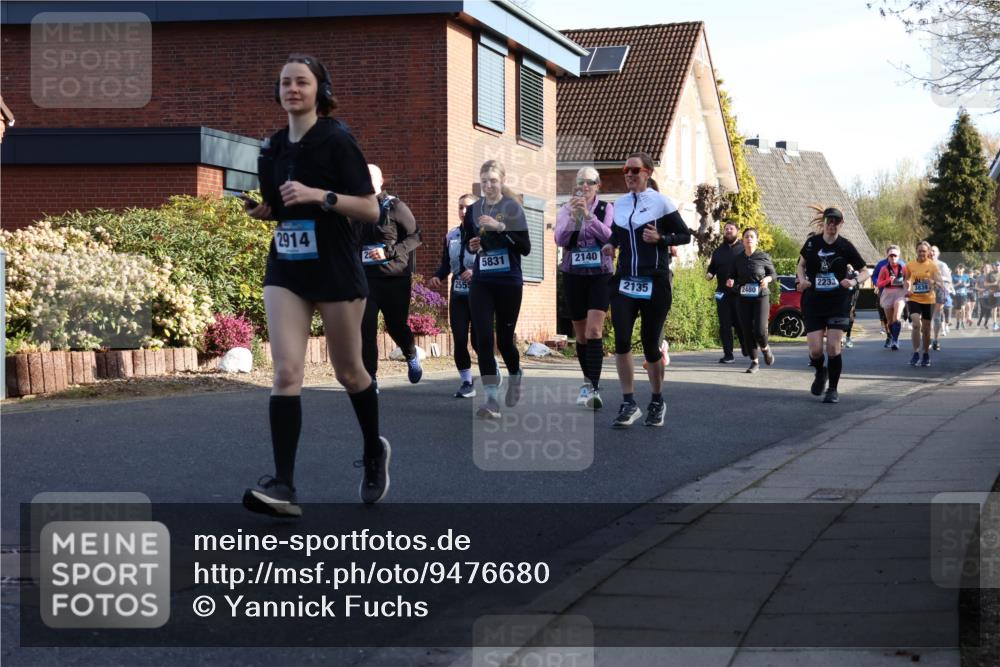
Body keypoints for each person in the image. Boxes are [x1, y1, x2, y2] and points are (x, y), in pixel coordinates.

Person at [242, 53, 389, 513]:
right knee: (286, 371)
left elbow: (370, 209)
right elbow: (280, 207)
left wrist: (319, 196)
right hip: (287, 266)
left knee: (349, 372)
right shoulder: (272, 147)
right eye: (285, 82)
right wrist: (264, 211)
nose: (292, 89)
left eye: (301, 82)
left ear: (319, 91)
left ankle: (373, 451)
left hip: (334, 267)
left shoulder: (337, 140)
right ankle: (283, 486)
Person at [602, 152, 691, 428]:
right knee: (622, 341)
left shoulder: (661, 202)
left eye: (634, 170)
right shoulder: (620, 204)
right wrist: (611, 245)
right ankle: (628, 402)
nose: (629, 174)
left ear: (648, 172)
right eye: (625, 170)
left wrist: (661, 238)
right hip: (625, 281)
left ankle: (657, 400)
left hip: (655, 282)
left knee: (651, 344)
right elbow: (617, 234)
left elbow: (685, 235)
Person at [462, 160, 531, 419]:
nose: (488, 185)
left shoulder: (512, 208)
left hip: (508, 281)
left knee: (504, 340)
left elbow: (525, 247)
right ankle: (491, 399)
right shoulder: (473, 209)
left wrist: (500, 227)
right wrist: (472, 245)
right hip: (482, 280)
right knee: (482, 338)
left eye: (493, 180)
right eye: (484, 181)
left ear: (502, 181)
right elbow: (469, 242)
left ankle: (515, 374)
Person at [796, 206, 869, 403]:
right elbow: (800, 265)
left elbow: (865, 271)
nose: (832, 225)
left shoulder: (845, 246)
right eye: (829, 221)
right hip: (813, 301)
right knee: (815, 350)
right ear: (824, 222)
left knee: (834, 348)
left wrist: (853, 281)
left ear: (841, 224)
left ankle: (833, 389)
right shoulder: (812, 243)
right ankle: (821, 372)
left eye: (836, 222)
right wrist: (802, 280)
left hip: (838, 302)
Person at [554, 167, 614, 409]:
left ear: (598, 185)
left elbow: (609, 236)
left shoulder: (606, 208)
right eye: (581, 182)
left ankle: (594, 388)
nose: (585, 186)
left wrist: (589, 217)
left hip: (601, 274)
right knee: (580, 335)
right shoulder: (565, 209)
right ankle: (587, 384)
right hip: (574, 274)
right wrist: (574, 218)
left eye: (590, 182)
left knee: (594, 330)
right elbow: (560, 239)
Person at [359, 165, 423, 389]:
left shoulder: (395, 206)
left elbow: (416, 237)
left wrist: (388, 252)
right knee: (365, 329)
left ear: (380, 180)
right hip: (367, 280)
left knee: (395, 326)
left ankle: (411, 354)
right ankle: (370, 379)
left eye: (370, 176)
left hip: (394, 279)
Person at [429, 194, 479, 398]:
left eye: (468, 208)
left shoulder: (486, 234)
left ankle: (491, 368)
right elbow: (446, 264)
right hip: (458, 293)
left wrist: (476, 272)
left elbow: (492, 260)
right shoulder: (451, 236)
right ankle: (467, 382)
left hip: (480, 293)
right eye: (460, 207)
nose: (464, 211)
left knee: (478, 341)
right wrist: (437, 276)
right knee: (459, 339)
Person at [725, 227, 776, 373]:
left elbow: (773, 274)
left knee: (759, 330)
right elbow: (731, 276)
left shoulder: (763, 256)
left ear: (756, 240)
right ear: (743, 240)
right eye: (746, 236)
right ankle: (754, 362)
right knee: (746, 330)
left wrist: (767, 279)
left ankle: (765, 348)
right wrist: (730, 281)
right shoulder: (737, 259)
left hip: (761, 296)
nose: (749, 239)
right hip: (743, 298)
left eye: (752, 236)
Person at [706, 222, 748, 363]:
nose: (728, 231)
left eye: (731, 229)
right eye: (726, 229)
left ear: (737, 231)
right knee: (724, 325)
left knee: (740, 323)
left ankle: (746, 346)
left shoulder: (743, 249)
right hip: (722, 293)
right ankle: (728, 355)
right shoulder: (718, 251)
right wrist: (709, 274)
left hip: (739, 293)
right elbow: (712, 267)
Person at [902, 241, 942, 367]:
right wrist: (907, 288)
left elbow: (940, 283)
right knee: (915, 324)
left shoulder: (933, 266)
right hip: (914, 298)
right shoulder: (910, 265)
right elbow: (906, 280)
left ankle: (925, 354)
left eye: (924, 251)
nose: (921, 253)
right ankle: (915, 353)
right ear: (916, 251)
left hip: (929, 300)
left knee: (926, 329)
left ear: (928, 252)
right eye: (919, 251)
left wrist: (932, 282)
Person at [875, 245, 907, 350]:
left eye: (895, 256)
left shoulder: (903, 267)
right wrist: (888, 280)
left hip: (900, 294)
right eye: (891, 256)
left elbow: (909, 280)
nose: (893, 258)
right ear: (888, 257)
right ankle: (893, 337)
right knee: (890, 321)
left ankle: (895, 340)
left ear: (898, 256)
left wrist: (907, 285)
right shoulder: (884, 268)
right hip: (888, 294)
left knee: (896, 318)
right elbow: (879, 283)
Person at [929, 245, 953, 350]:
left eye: (934, 251)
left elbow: (948, 279)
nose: (932, 253)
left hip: (939, 291)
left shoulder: (942, 265)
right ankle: (929, 338)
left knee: (936, 316)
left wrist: (936, 278)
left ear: (938, 253)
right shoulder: (924, 264)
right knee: (927, 318)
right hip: (926, 292)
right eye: (930, 251)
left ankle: (936, 339)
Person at [952, 265, 971, 330]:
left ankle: (962, 322)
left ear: (963, 269)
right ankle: (957, 323)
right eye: (959, 268)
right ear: (957, 269)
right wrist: (958, 283)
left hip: (964, 295)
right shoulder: (953, 276)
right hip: (957, 295)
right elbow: (951, 285)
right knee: (957, 310)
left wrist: (966, 284)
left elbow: (968, 283)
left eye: (961, 268)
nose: (960, 270)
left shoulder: (966, 276)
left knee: (963, 308)